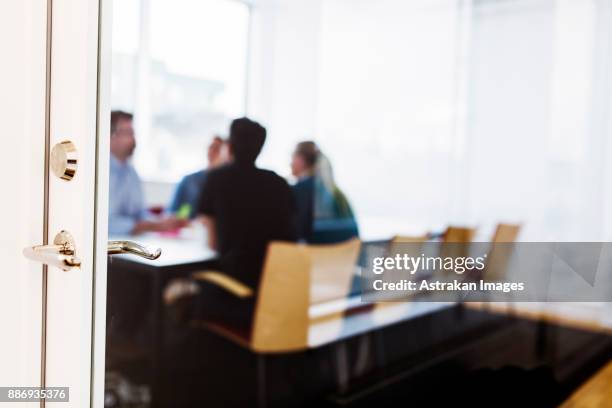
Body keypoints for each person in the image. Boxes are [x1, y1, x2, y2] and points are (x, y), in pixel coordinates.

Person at [168, 118, 298, 331]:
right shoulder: (279, 183)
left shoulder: (217, 179)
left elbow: (212, 244)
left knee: (178, 287)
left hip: (239, 291)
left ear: (230, 146)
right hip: (277, 291)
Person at [108, 110, 187, 235]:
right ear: (110, 136)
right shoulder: (100, 173)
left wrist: (161, 222)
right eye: (128, 133)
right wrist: (145, 226)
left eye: (133, 133)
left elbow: (140, 214)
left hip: (131, 245)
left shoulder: (131, 172)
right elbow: (105, 223)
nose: (133, 139)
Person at [291, 141, 359, 243]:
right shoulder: (337, 193)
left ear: (301, 160)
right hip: (344, 255)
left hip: (309, 254)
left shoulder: (297, 191)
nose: (290, 163)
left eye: (292, 158)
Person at [168, 136, 226, 219]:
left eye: (217, 148)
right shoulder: (189, 181)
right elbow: (179, 211)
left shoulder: (228, 184)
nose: (212, 151)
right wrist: (183, 217)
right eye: (210, 147)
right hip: (192, 228)